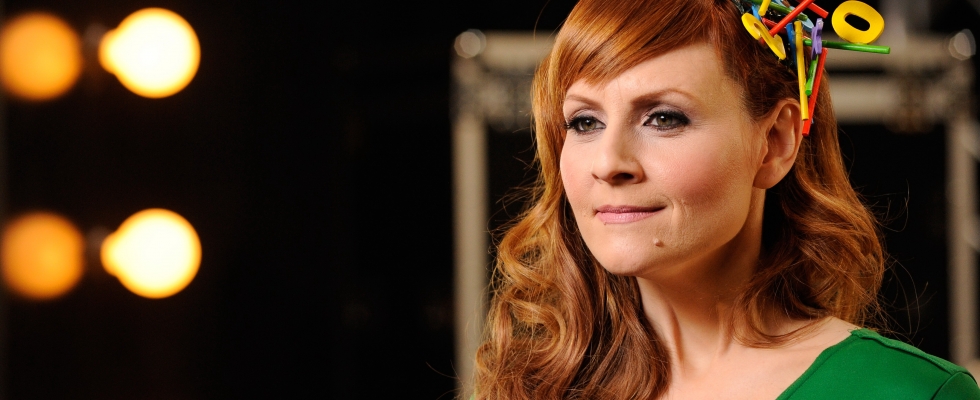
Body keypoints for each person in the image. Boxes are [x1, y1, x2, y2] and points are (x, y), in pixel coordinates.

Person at [472, 0, 980, 398]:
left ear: (774, 142)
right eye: (585, 122)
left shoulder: (909, 392)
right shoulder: (523, 390)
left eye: (664, 118)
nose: (608, 163)